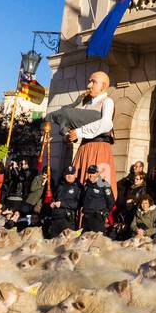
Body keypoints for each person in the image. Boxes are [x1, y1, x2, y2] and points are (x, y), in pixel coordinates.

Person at [66, 71, 118, 200]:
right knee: (78, 184)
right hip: (84, 148)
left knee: (99, 185)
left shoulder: (107, 101)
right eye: (89, 81)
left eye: (93, 82)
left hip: (99, 148)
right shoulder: (87, 105)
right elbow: (75, 126)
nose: (89, 85)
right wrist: (69, 134)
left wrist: (79, 132)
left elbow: (106, 123)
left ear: (103, 86)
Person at [45, 166, 82, 238]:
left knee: (65, 243)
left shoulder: (78, 187)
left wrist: (62, 204)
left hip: (67, 220)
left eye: (71, 174)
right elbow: (54, 197)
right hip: (56, 218)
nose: (69, 176)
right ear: (64, 175)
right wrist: (52, 202)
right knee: (53, 241)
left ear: (75, 175)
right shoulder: (60, 184)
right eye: (67, 174)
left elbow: (78, 204)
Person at [80, 165, 114, 235]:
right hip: (86, 217)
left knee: (96, 241)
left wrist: (104, 212)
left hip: (97, 218)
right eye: (89, 173)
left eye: (93, 173)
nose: (90, 175)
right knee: (84, 241)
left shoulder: (104, 184)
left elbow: (111, 201)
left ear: (97, 173)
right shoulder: (87, 185)